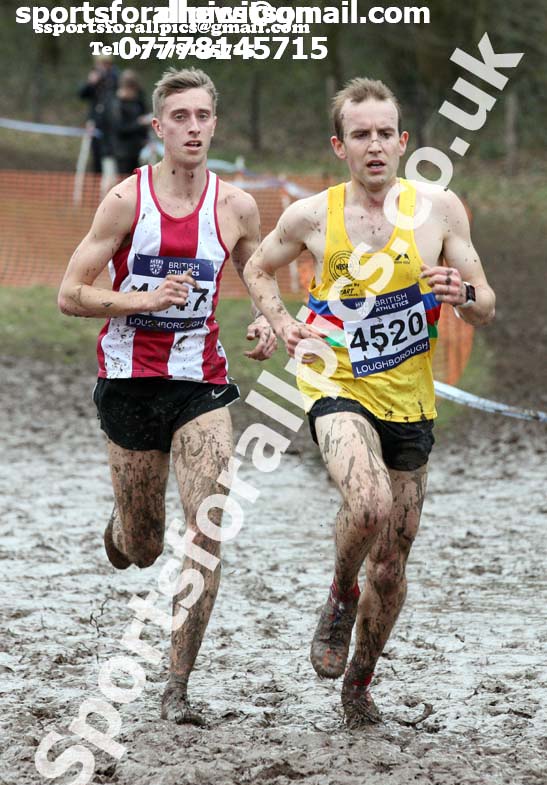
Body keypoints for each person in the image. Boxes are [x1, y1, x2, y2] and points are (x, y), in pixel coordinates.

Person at [244, 77, 495, 728]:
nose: (375, 144)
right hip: (335, 382)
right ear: (340, 146)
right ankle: (336, 594)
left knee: (391, 564)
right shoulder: (310, 217)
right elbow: (257, 268)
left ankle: (359, 683)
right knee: (368, 503)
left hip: (408, 399)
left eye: (385, 133)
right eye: (361, 135)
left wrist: (459, 294)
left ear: (403, 141)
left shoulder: (440, 209)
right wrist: (278, 319)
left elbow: (486, 301)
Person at [59, 67, 276, 725]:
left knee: (205, 531)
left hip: (201, 384)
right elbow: (71, 293)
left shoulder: (235, 206)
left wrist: (270, 317)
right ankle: (123, 531)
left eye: (201, 116)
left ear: (214, 123)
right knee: (145, 545)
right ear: (157, 128)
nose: (191, 127)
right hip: (128, 384)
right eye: (178, 117)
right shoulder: (127, 200)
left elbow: (260, 274)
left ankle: (176, 687)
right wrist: (141, 299)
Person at [78, 55, 119, 175]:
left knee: (109, 157)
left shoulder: (115, 78)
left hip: (111, 125)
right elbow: (82, 95)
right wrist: (91, 83)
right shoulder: (94, 78)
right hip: (95, 124)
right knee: (96, 158)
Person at [112, 70, 151, 176]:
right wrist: (139, 123)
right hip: (123, 151)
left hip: (138, 148)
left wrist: (145, 137)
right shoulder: (117, 104)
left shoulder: (138, 101)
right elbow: (119, 128)